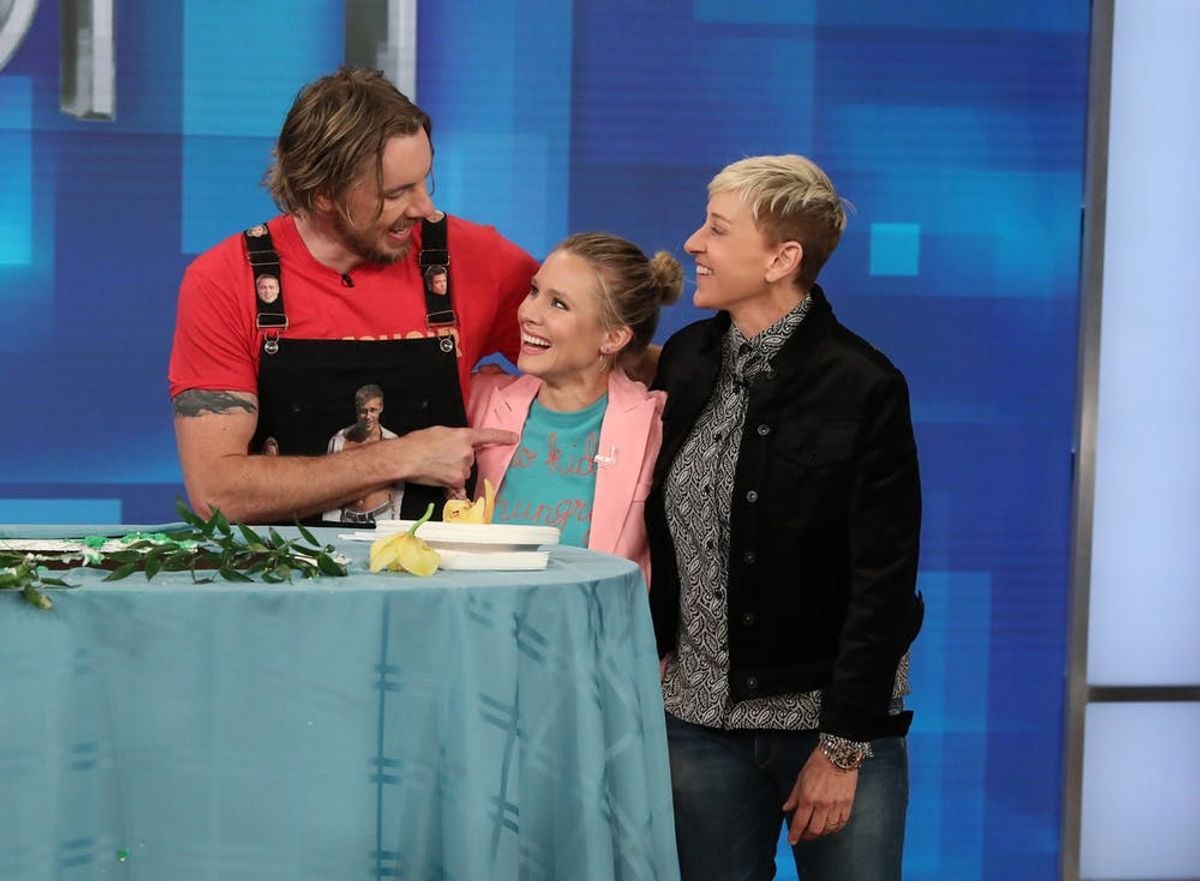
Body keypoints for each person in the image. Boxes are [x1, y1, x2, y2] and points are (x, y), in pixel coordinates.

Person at [647, 155, 924, 881]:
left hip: (833, 732)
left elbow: (884, 583)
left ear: (782, 259)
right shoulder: (686, 358)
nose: (693, 242)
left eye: (717, 228)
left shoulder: (865, 386)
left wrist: (842, 750)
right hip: (695, 729)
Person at [168, 67, 535, 524]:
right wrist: (400, 456)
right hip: (285, 566)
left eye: (425, 181)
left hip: (441, 567)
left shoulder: (478, 258)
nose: (424, 207)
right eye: (396, 193)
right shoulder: (225, 280)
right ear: (324, 193)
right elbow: (218, 494)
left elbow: (600, 364)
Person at [469, 233, 682, 583]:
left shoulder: (658, 427)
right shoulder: (480, 399)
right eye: (534, 291)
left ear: (613, 337)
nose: (528, 313)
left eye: (559, 304)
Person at [324, 384, 403, 522]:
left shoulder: (391, 442)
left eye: (373, 410)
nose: (368, 416)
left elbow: (398, 487)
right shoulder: (340, 441)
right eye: (363, 411)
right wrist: (330, 522)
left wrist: (395, 520)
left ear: (381, 408)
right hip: (348, 517)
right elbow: (330, 487)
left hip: (381, 516)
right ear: (357, 410)